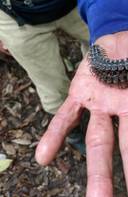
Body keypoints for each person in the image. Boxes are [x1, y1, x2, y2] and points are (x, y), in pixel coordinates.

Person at [1, 0, 128, 197]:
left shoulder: (101, 60)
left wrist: (113, 20)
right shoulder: (100, 63)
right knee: (54, 91)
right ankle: (75, 132)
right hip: (12, 18)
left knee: (93, 46)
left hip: (79, 7)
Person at [0, 0, 89, 154]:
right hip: (15, 17)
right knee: (51, 84)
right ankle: (72, 130)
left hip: (79, 4)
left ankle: (97, 92)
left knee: (103, 52)